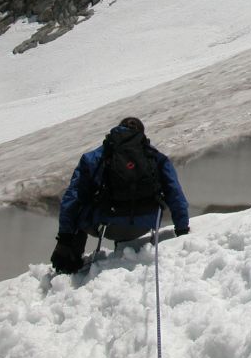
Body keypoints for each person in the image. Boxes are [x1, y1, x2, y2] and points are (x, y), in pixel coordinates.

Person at [51, 117, 190, 274]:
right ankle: (125, 248)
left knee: (79, 206)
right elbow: (175, 194)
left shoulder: (94, 157)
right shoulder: (155, 157)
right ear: (141, 134)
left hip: (106, 226)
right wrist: (182, 230)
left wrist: (64, 238)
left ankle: (70, 262)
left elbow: (72, 198)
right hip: (146, 225)